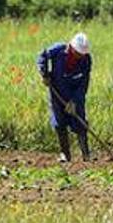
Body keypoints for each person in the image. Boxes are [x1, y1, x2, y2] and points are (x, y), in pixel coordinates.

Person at [36, 32, 92, 162]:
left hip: (75, 93)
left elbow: (84, 84)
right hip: (57, 92)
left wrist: (74, 101)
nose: (80, 57)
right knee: (59, 122)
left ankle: (86, 155)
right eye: (78, 54)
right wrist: (44, 74)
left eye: (82, 55)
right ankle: (65, 154)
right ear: (71, 48)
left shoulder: (86, 60)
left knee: (80, 121)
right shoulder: (57, 50)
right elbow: (42, 56)